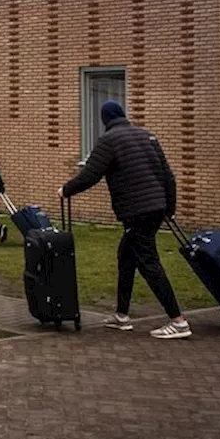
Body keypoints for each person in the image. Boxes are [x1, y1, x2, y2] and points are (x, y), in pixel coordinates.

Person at [58, 101, 189, 339]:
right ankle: (121, 315)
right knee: (126, 258)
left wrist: (66, 190)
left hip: (136, 211)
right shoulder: (147, 136)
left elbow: (90, 174)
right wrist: (169, 208)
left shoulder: (108, 141)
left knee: (149, 263)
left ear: (105, 120)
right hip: (155, 207)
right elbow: (168, 175)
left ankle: (178, 320)